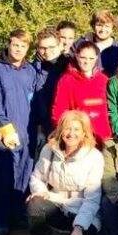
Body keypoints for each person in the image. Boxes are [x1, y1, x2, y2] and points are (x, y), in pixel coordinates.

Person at [26, 110, 104, 235]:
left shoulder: (94, 156)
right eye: (68, 128)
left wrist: (79, 227)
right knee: (34, 204)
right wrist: (41, 192)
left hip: (81, 207)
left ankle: (75, 234)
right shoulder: (49, 150)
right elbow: (36, 177)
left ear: (84, 133)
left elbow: (92, 199)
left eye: (77, 130)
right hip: (56, 202)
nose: (71, 134)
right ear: (61, 130)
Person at [0, 29, 38, 235]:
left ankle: (19, 216)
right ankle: (0, 222)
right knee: (3, 176)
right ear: (9, 44)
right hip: (6, 132)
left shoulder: (31, 70)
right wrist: (5, 128)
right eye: (15, 44)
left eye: (23, 46)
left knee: (25, 175)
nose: (18, 49)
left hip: (28, 131)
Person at [52, 41, 113, 146]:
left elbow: (111, 109)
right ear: (76, 56)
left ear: (96, 58)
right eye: (83, 58)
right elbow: (59, 111)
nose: (87, 62)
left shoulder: (104, 80)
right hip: (79, 140)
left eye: (91, 58)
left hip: (103, 138)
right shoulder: (67, 80)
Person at [31, 27, 67, 155]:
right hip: (42, 127)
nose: (47, 52)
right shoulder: (34, 68)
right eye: (43, 48)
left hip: (64, 128)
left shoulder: (69, 67)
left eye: (51, 47)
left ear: (60, 45)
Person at [77, 9, 118, 77]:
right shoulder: (81, 44)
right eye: (99, 25)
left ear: (112, 28)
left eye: (107, 26)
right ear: (93, 26)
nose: (103, 29)